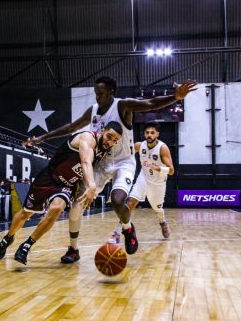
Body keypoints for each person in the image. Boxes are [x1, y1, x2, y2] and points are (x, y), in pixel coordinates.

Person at [24, 76, 196, 262]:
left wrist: (176, 97)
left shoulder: (123, 106)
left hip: (124, 162)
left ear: (111, 92)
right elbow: (72, 127)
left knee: (117, 200)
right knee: (78, 205)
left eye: (101, 93)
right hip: (102, 163)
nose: (97, 96)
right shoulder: (93, 111)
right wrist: (43, 138)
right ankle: (73, 249)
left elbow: (151, 103)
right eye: (96, 93)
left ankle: (128, 228)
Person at [0, 121, 123, 265]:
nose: (110, 142)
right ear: (102, 130)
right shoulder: (87, 139)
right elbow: (86, 162)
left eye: (114, 141)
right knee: (25, 214)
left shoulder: (106, 150)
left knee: (56, 208)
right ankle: (8, 238)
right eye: (109, 137)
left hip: (66, 185)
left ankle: (27, 245)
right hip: (49, 178)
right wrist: (91, 185)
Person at [110, 122, 174, 243]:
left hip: (158, 183)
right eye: (147, 132)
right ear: (144, 134)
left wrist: (156, 167)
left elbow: (171, 171)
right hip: (143, 178)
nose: (149, 135)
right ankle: (117, 232)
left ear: (157, 134)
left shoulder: (162, 148)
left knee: (157, 208)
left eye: (152, 133)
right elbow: (124, 154)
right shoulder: (139, 146)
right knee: (130, 203)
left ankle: (162, 221)